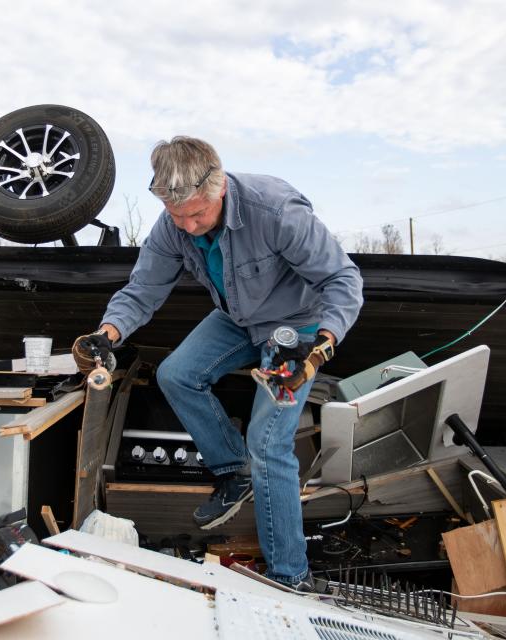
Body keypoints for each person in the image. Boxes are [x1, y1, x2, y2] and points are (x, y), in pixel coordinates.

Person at [72, 136, 363, 590]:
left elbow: (342, 278)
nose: (187, 227)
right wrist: (105, 334)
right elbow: (142, 290)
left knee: (268, 444)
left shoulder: (276, 211)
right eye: (176, 216)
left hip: (296, 329)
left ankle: (291, 576)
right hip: (238, 319)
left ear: (220, 186)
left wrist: (320, 346)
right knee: (177, 374)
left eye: (196, 215)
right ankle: (233, 470)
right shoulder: (173, 225)